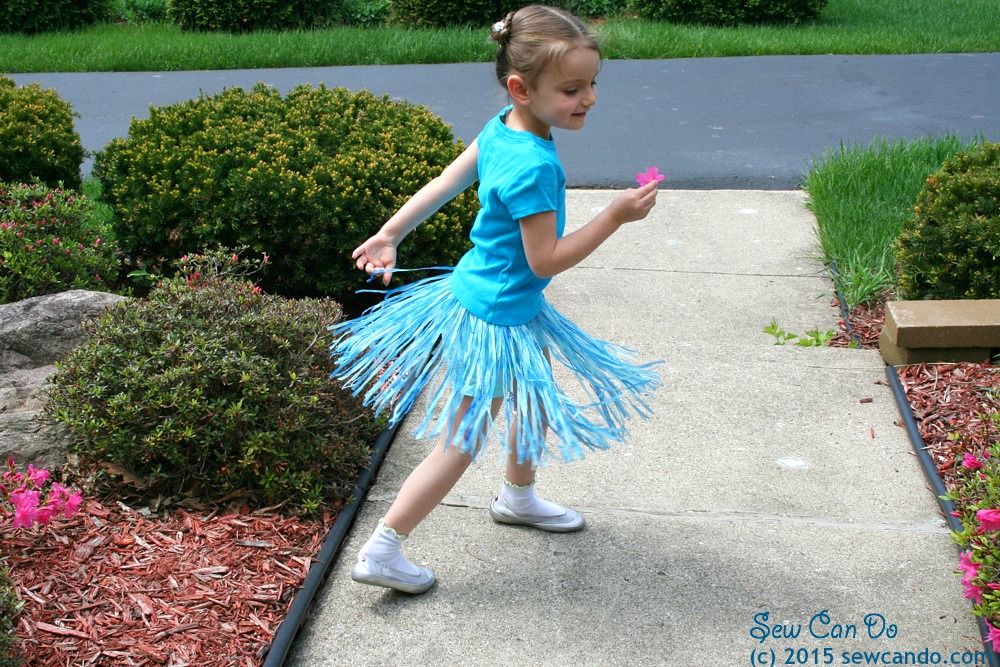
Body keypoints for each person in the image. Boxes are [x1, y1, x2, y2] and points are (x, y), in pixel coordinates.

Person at [329, 4, 662, 595]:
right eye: (571, 88)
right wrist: (614, 215)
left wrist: (390, 232)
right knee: (461, 439)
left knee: (529, 395)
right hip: (496, 316)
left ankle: (518, 495)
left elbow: (445, 182)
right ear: (521, 87)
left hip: (487, 298)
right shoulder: (534, 165)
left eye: (592, 84)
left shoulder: (502, 125)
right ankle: (384, 547)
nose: (588, 98)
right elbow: (546, 260)